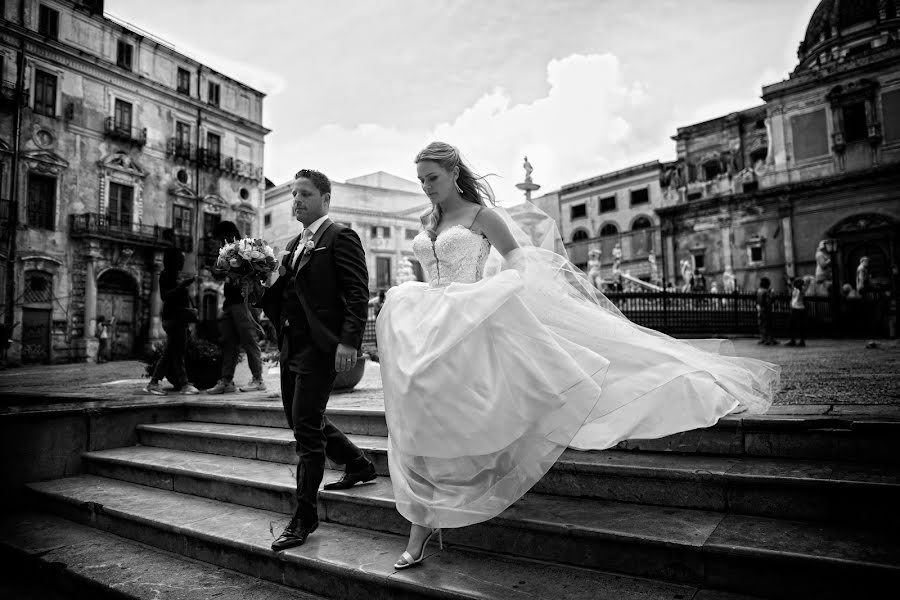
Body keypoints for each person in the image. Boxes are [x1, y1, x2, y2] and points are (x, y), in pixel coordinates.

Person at [376, 141, 779, 571]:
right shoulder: (428, 219)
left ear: (454, 173)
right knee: (420, 415)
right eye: (421, 180)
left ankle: (427, 523)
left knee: (476, 410)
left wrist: (488, 294)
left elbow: (517, 259)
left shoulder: (482, 216)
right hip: (428, 325)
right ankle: (426, 517)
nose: (426, 188)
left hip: (470, 318)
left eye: (432, 179)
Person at [258, 169, 376, 551]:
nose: (297, 200)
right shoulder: (293, 244)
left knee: (306, 430)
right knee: (300, 419)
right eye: (294, 194)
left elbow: (358, 294)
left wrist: (349, 343)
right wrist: (257, 281)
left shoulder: (340, 236)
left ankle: (304, 515)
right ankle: (357, 463)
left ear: (325, 199)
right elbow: (285, 297)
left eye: (305, 194)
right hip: (292, 346)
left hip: (322, 348)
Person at [206, 221, 266, 394]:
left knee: (249, 339)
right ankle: (226, 381)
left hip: (244, 301)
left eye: (218, 238)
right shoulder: (228, 252)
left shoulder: (245, 249)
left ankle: (258, 379)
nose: (217, 242)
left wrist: (233, 272)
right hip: (231, 301)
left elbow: (258, 271)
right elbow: (216, 271)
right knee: (228, 341)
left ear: (226, 235)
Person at [145, 247, 200, 395]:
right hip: (173, 318)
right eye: (180, 260)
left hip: (179, 318)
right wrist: (182, 286)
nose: (183, 262)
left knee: (171, 352)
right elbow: (165, 296)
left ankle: (155, 382)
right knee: (178, 353)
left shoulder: (176, 275)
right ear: (173, 261)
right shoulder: (166, 275)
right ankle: (183, 384)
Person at [787, 277, 810, 347]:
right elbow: (791, 286)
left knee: (794, 325)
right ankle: (798, 340)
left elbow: (795, 287)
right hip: (798, 309)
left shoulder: (800, 289)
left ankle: (796, 340)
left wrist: (790, 283)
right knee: (796, 325)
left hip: (797, 309)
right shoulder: (797, 289)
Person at [756, 276, 777, 345]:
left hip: (760, 309)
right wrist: (772, 294)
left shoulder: (759, 290)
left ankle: (763, 338)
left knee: (762, 325)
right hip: (766, 310)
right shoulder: (766, 291)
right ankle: (769, 339)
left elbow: (758, 301)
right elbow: (769, 301)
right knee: (767, 325)